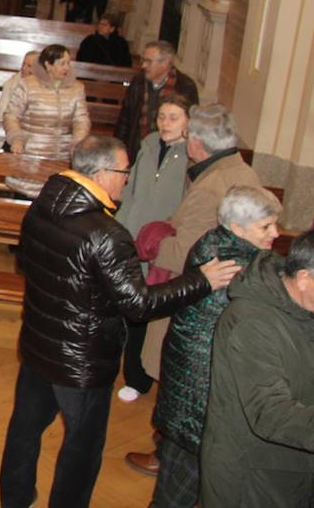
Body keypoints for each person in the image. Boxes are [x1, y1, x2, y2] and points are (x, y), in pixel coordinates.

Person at [0, 135, 241, 508]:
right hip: (82, 363)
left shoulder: (43, 206)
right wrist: (201, 280)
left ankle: (14, 499)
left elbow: (26, 263)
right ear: (101, 173)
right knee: (82, 450)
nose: (127, 179)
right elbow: (139, 305)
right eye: (124, 172)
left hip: (38, 345)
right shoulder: (107, 235)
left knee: (24, 432)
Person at [144, 186, 281, 508]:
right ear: (237, 228)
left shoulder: (214, 242)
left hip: (189, 390)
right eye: (266, 226)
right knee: (179, 491)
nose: (276, 232)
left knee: (177, 486)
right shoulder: (238, 269)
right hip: (202, 398)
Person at [200, 226, 314, 508]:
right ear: (304, 279)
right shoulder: (249, 323)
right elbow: (271, 414)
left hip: (297, 466)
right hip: (252, 479)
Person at [136, 104, 260, 400]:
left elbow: (187, 254)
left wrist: (152, 240)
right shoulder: (239, 171)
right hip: (225, 296)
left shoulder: (212, 186)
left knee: (181, 387)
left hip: (195, 301)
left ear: (197, 142)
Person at [112, 92, 192, 404]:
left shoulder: (190, 156)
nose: (165, 123)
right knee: (124, 305)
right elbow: (130, 192)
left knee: (148, 312)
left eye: (174, 118)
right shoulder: (148, 145)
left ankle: (139, 377)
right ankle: (114, 367)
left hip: (161, 245)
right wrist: (119, 228)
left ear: (187, 123)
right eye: (162, 117)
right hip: (132, 235)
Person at [3, 44, 91, 198]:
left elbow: (81, 119)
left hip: (61, 157)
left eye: (68, 63)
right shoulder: (28, 84)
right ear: (48, 65)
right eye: (62, 63)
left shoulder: (77, 88)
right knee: (23, 206)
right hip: (30, 156)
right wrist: (16, 138)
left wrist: (78, 142)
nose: (67, 68)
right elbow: (11, 115)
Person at [114, 40, 199, 162]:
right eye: (143, 60)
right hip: (138, 150)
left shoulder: (185, 87)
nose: (143, 65)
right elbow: (125, 119)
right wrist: (119, 148)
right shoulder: (138, 82)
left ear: (166, 63)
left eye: (148, 61)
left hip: (170, 153)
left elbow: (192, 125)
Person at [0, 50, 38, 128]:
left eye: (29, 66)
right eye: (23, 64)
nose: (24, 68)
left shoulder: (46, 87)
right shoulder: (11, 84)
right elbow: (1, 113)